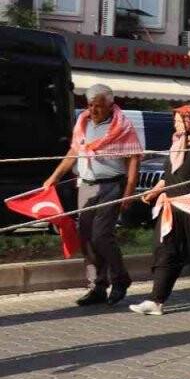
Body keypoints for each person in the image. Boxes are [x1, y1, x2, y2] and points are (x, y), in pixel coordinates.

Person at [43, 84, 142, 306]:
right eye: (90, 105)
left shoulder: (122, 126)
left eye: (98, 106)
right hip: (86, 185)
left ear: (109, 105)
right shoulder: (83, 122)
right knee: (86, 238)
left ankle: (120, 279)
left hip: (111, 186)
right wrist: (54, 177)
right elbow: (74, 151)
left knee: (102, 236)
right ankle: (97, 286)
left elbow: (134, 158)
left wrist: (129, 190)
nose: (93, 110)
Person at [131, 105, 190, 316]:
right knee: (164, 250)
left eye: (181, 120)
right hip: (172, 206)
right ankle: (156, 301)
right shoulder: (176, 144)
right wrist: (154, 192)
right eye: (176, 120)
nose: (176, 124)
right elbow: (168, 176)